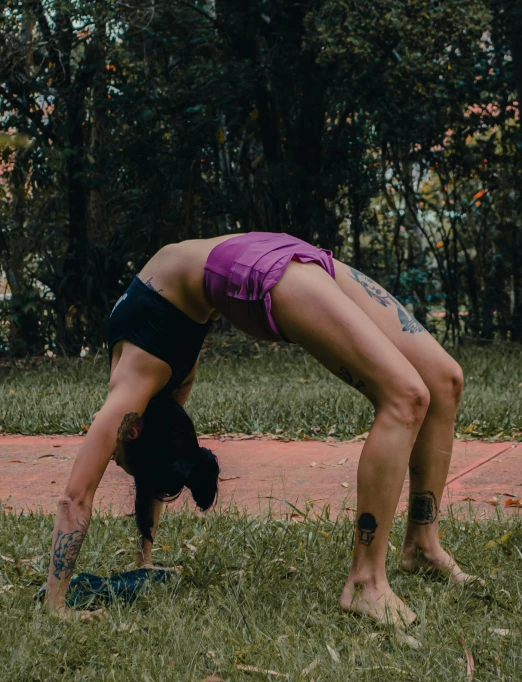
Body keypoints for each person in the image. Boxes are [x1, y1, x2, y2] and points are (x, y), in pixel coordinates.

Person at [44, 232, 482, 624]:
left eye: (117, 457)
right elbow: (155, 467)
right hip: (272, 255)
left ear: (133, 431)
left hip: (264, 266)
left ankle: (418, 548)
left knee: (439, 383)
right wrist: (145, 559)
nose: (111, 451)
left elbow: (75, 496)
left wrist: (56, 601)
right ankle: (367, 582)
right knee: (416, 392)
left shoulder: (129, 392)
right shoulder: (161, 386)